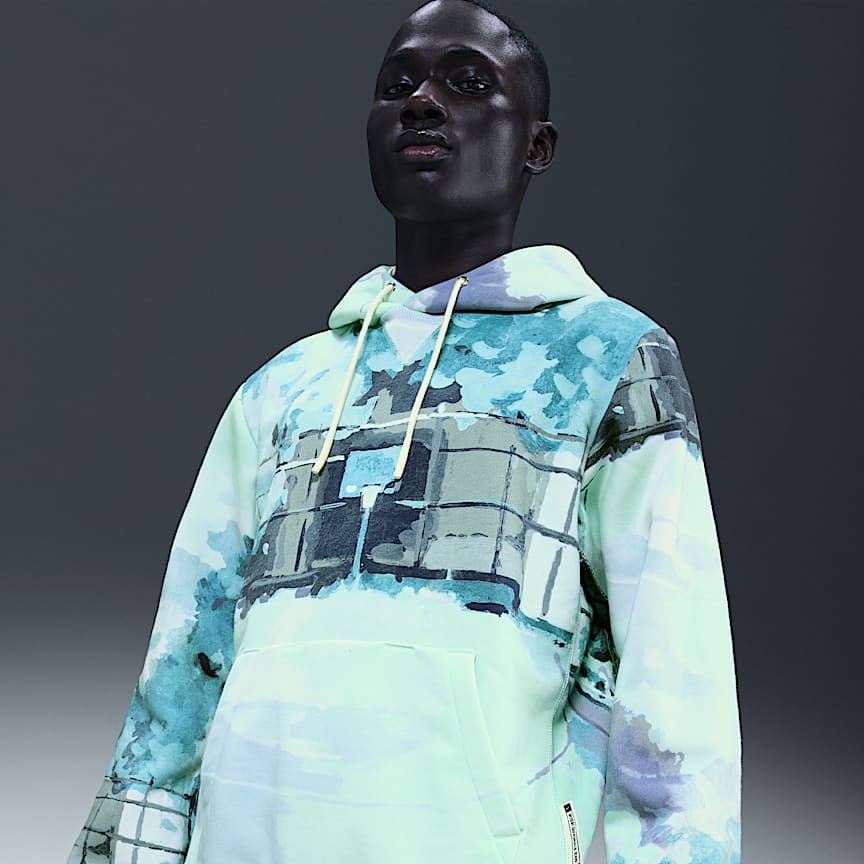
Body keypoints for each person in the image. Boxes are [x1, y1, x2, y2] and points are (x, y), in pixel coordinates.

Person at [67, 1, 742, 862]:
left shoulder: (610, 361)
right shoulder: (282, 388)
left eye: (468, 82)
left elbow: (675, 681)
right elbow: (181, 673)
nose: (421, 102)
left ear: (537, 145)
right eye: (397, 86)